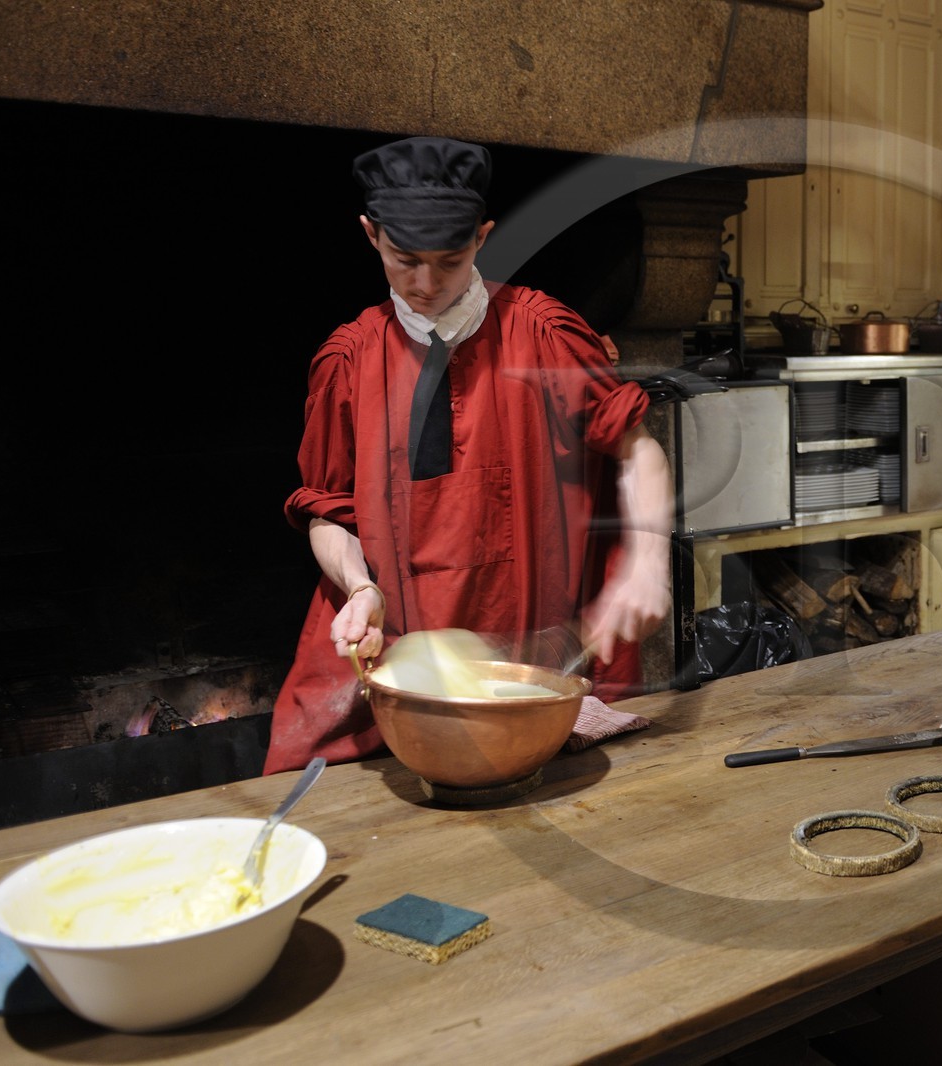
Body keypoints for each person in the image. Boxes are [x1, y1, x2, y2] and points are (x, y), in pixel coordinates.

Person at [263, 136, 673, 774]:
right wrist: (359, 587)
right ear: (371, 235)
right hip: (392, 664)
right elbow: (328, 511)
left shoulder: (542, 332)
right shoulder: (348, 360)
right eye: (404, 259)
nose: (425, 284)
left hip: (529, 660)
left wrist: (648, 563)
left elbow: (638, 447)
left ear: (483, 237)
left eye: (449, 260)